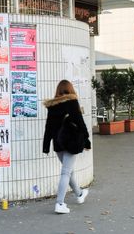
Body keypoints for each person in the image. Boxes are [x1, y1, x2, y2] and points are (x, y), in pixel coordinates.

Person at [43, 80, 91, 214]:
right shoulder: (72, 102)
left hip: (58, 143)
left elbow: (48, 128)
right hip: (71, 142)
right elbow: (80, 123)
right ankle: (60, 203)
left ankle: (80, 194)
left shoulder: (52, 106)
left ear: (58, 91)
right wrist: (87, 141)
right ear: (70, 90)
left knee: (69, 171)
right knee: (66, 172)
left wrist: (46, 146)